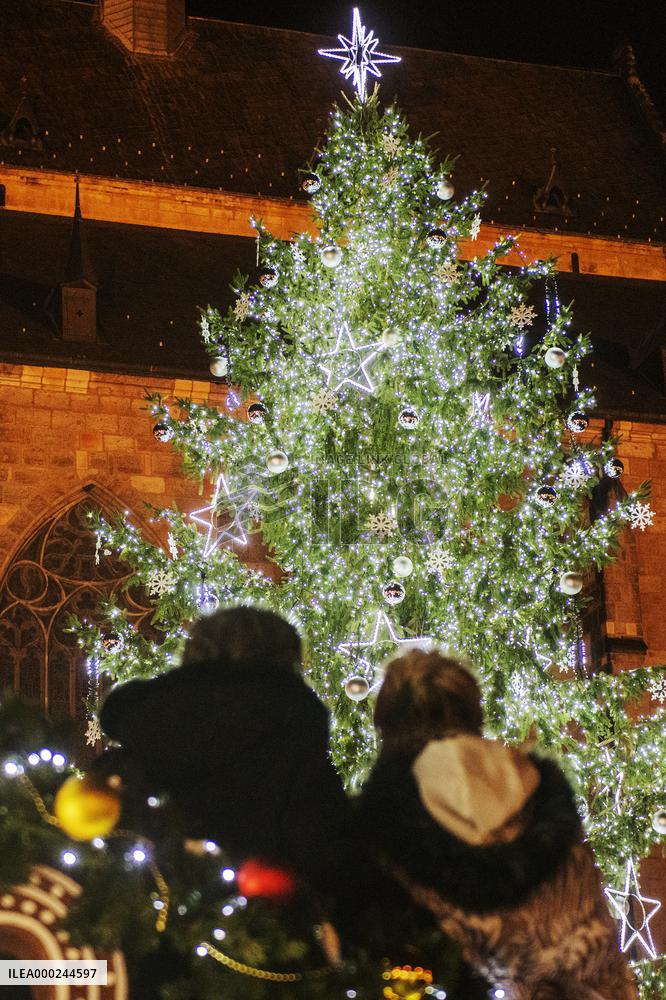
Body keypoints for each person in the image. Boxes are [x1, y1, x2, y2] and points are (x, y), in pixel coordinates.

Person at [357, 648, 638, 1000]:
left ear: (388, 723)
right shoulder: (542, 802)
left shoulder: (387, 818)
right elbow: (600, 965)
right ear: (473, 712)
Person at [99, 605, 351, 900]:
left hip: (144, 908)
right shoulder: (294, 742)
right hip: (263, 915)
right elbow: (328, 857)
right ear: (286, 660)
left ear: (193, 652)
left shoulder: (145, 727)